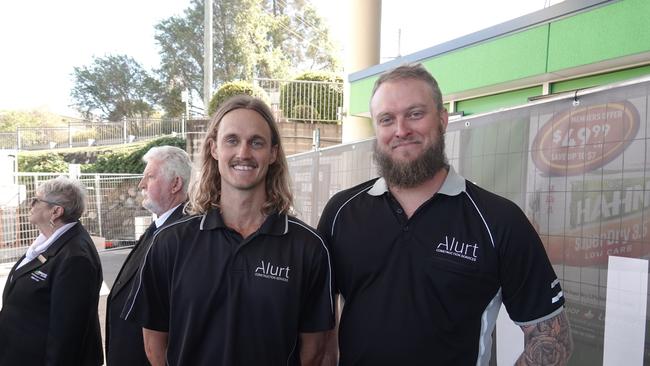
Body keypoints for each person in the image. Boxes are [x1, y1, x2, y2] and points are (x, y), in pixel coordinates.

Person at [318, 64, 573, 365]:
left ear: (442, 119)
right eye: (387, 119)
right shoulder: (341, 213)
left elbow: (552, 339)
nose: (401, 130)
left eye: (415, 114)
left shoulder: (498, 220)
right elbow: (318, 322)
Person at [122, 95, 333, 366]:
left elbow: (313, 352)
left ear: (273, 153)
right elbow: (154, 344)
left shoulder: (308, 247)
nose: (243, 153)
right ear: (213, 148)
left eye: (256, 142)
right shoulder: (170, 243)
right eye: (232, 140)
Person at [0, 176, 103, 366]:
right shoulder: (46, 243)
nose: (30, 204)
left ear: (56, 211)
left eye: (36, 200)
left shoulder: (75, 258)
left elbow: (67, 334)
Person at [106, 146, 191, 366]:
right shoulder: (162, 226)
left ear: (176, 184)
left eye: (150, 177)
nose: (141, 185)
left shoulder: (183, 234)